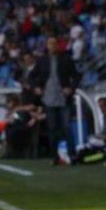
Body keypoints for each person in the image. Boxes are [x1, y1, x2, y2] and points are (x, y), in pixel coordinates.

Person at [29, 36, 79, 164]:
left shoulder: (66, 59)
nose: (52, 46)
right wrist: (36, 88)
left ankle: (72, 155)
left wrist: (71, 88)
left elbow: (77, 76)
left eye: (54, 43)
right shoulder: (42, 60)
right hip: (48, 98)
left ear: (58, 45)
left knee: (66, 128)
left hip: (63, 98)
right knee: (52, 129)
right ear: (47, 45)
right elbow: (31, 76)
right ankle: (54, 156)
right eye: (50, 43)